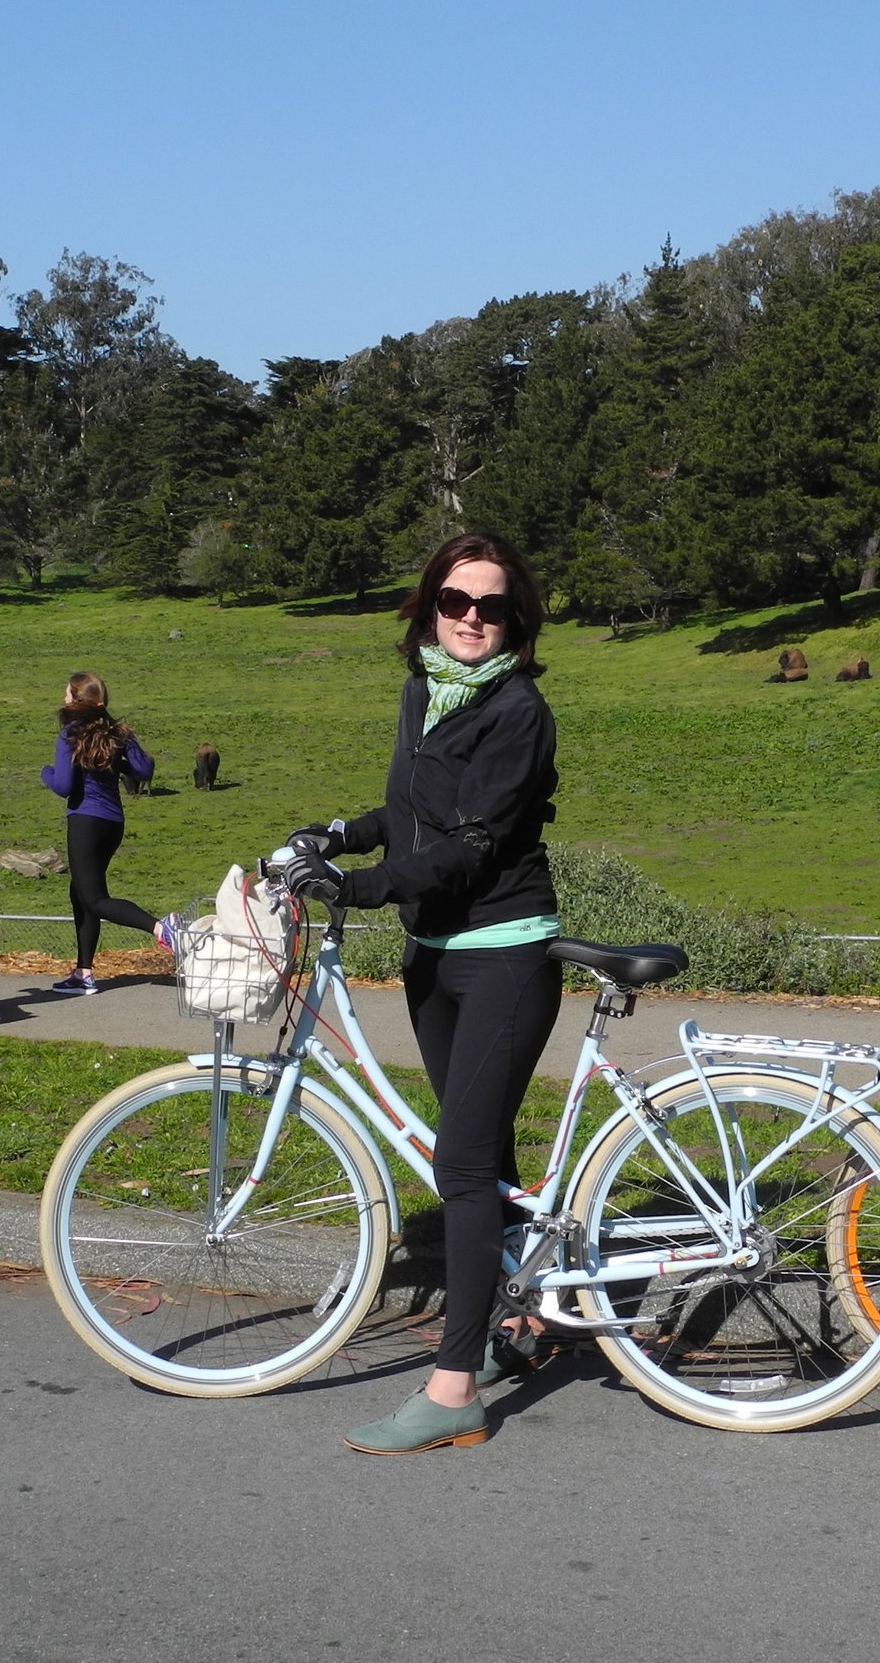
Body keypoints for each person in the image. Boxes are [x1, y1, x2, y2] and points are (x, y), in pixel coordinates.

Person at [275, 534, 562, 1456]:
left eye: (490, 605)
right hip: (432, 958)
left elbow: (473, 843)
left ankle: (452, 1391)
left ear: (515, 621)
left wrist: (362, 888)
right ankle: (521, 1316)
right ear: (427, 609)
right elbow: (412, 811)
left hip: (503, 956)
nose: (471, 617)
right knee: (482, 1147)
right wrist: (339, 834)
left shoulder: (520, 711)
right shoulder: (422, 691)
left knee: (464, 1170)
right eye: (454, 600)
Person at [40, 670, 159, 994]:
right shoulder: (117, 731)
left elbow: (64, 785)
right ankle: (83, 973)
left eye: (66, 694)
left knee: (93, 898)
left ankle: (162, 928)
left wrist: (46, 773)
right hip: (113, 823)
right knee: (80, 892)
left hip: (85, 821)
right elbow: (144, 769)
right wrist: (123, 750)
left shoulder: (70, 734)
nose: (63, 698)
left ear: (77, 700)